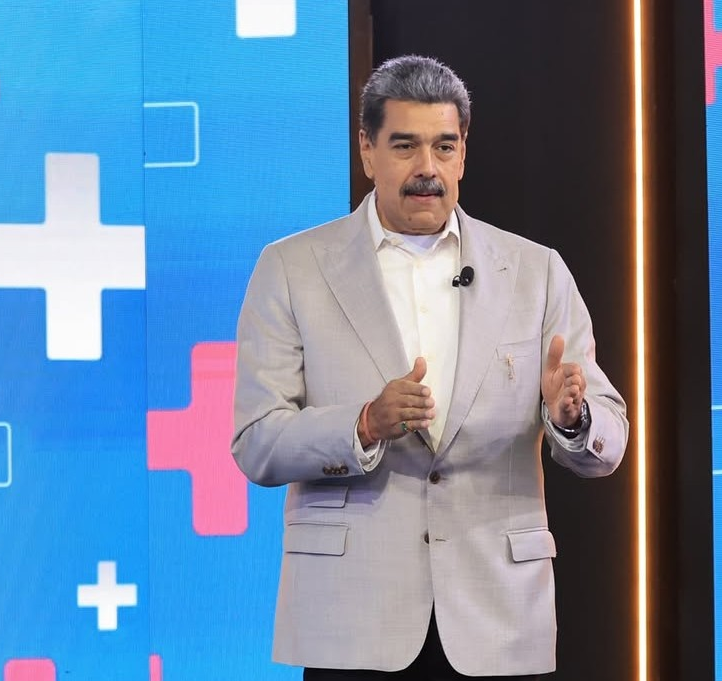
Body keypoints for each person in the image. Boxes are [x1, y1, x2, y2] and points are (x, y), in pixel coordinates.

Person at [232, 55, 628, 680]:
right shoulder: (291, 269)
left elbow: (609, 441)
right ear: (367, 151)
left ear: (463, 153)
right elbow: (257, 442)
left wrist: (572, 420)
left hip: (498, 620)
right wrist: (364, 423)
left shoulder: (536, 272)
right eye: (405, 146)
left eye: (444, 146)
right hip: (353, 622)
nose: (427, 168)